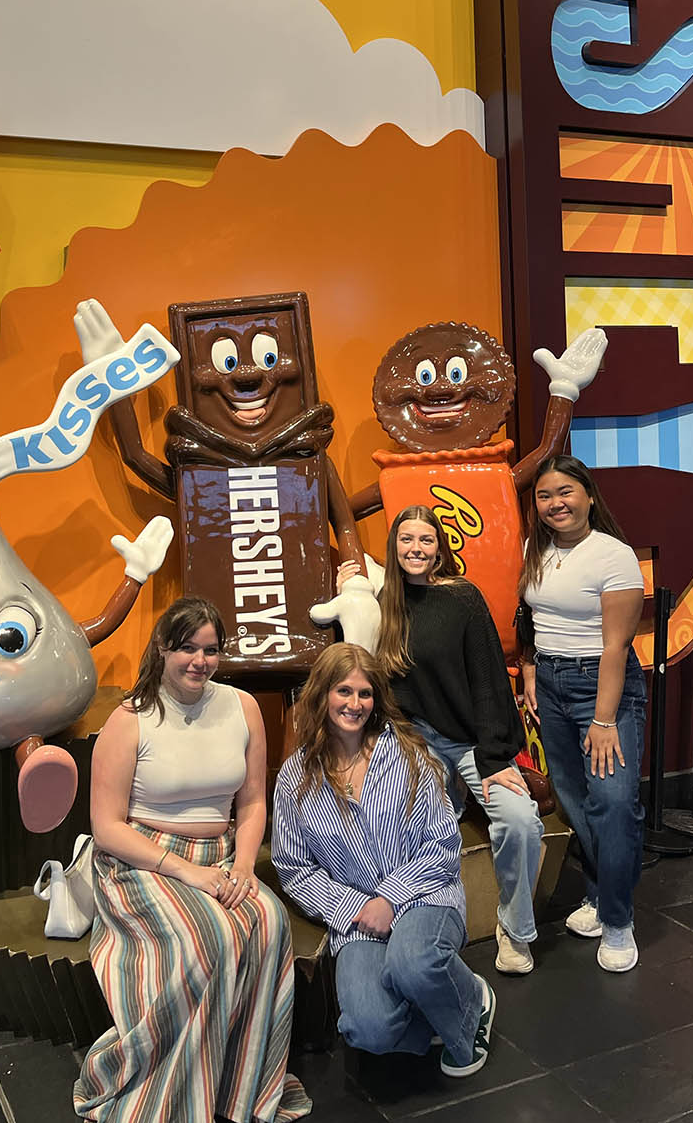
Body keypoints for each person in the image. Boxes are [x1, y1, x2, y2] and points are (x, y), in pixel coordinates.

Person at [74, 596, 310, 1123]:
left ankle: (237, 1085)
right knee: (215, 936)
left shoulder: (242, 707)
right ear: (162, 647)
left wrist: (245, 867)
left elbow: (251, 801)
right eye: (187, 648)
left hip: (222, 854)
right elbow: (107, 827)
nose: (200, 661)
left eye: (211, 650)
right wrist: (189, 873)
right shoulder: (128, 719)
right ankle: (176, 1092)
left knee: (269, 922)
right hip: (143, 860)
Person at [272, 642, 495, 1078]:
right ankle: (436, 1007)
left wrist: (391, 897)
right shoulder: (294, 777)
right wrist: (355, 908)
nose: (355, 704)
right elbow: (294, 868)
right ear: (321, 694)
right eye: (344, 691)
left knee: (414, 962)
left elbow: (442, 843)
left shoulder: (410, 755)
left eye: (365, 693)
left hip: (425, 896)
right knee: (365, 1029)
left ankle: (471, 1007)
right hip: (356, 919)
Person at [338, 505, 543, 976]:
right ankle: (422, 924)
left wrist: (495, 759)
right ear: (393, 547)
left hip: (472, 741)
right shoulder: (382, 600)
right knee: (416, 828)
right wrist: (350, 586)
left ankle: (515, 927)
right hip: (416, 742)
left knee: (520, 821)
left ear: (439, 548)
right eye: (406, 540)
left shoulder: (461, 597)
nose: (416, 549)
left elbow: (490, 679)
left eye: (426, 540)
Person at [519, 455, 646, 973]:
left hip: (603, 685)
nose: (556, 504)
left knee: (613, 804)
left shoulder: (613, 556)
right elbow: (530, 615)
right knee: (574, 800)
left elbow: (616, 647)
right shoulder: (536, 549)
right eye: (545, 496)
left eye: (566, 492)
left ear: (589, 495)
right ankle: (598, 892)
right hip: (549, 683)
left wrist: (604, 719)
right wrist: (530, 671)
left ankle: (618, 919)